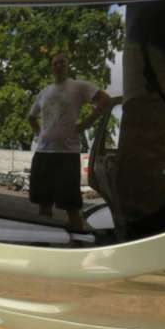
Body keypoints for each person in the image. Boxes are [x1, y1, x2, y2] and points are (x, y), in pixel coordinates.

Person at [28, 51, 110, 231]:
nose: (58, 66)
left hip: (67, 154)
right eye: (55, 63)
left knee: (71, 206)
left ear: (67, 66)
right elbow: (31, 117)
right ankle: (44, 237)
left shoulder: (79, 87)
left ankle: (78, 236)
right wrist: (39, 134)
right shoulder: (44, 92)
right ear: (51, 68)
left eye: (61, 62)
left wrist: (86, 123)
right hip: (43, 152)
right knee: (43, 203)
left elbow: (105, 100)